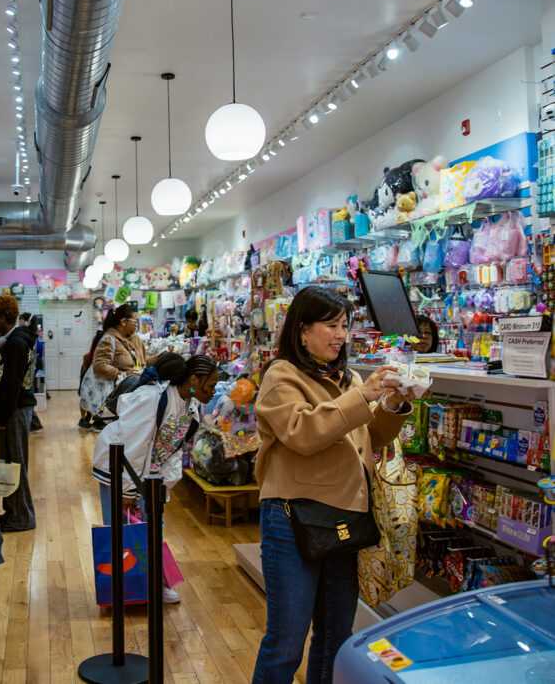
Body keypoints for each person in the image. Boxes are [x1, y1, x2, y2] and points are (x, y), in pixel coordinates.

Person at [251, 285, 416, 684]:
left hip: (345, 518)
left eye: (344, 324)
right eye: (330, 325)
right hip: (293, 519)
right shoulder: (281, 376)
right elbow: (303, 433)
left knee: (336, 636)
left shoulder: (347, 378)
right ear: (302, 330)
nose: (341, 334)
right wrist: (363, 395)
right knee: (286, 642)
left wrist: (393, 405)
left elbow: (368, 438)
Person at [92, 353, 219, 603]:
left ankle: (149, 583)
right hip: (119, 470)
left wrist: (162, 485)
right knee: (121, 530)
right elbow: (133, 445)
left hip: (148, 475)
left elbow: (172, 450)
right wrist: (127, 491)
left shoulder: (189, 407)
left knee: (151, 529)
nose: (214, 391)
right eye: (211, 385)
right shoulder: (153, 399)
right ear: (194, 379)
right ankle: (127, 588)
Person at [0, 295, 37, 532]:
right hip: (16, 409)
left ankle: (22, 516)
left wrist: (1, 417)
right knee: (11, 462)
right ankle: (12, 511)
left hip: (14, 410)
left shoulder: (15, 343)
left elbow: (11, 384)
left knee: (15, 463)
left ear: (4, 318)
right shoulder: (15, 340)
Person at [92, 304, 147, 430]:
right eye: (135, 321)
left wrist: (162, 358)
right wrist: (121, 374)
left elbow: (144, 360)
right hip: (121, 395)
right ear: (123, 322)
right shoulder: (109, 340)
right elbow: (99, 365)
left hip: (137, 393)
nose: (137, 325)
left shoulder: (135, 340)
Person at [78, 329, 106, 430]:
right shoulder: (103, 343)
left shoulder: (95, 342)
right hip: (91, 371)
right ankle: (92, 419)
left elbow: (89, 358)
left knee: (86, 395)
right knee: (92, 396)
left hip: (88, 370)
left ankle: (85, 419)